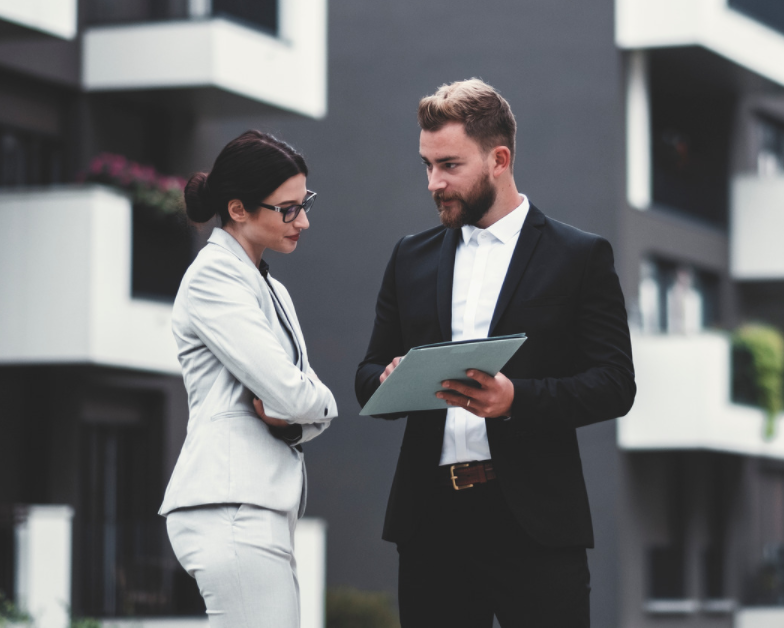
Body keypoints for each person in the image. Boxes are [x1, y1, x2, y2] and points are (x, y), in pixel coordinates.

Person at [355, 79, 636, 627]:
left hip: (534, 522)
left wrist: (515, 400)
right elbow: (367, 377)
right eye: (426, 165)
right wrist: (390, 379)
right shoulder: (408, 257)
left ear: (499, 159)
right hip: (429, 522)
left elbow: (614, 383)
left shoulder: (579, 256)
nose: (434, 182)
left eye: (449, 166)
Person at [160, 130, 336, 627]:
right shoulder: (213, 277)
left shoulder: (269, 285)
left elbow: (294, 399)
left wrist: (300, 415)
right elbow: (290, 390)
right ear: (238, 209)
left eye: (305, 204)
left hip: (258, 507)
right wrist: (322, 404)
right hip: (230, 507)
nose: (303, 220)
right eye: (287, 209)